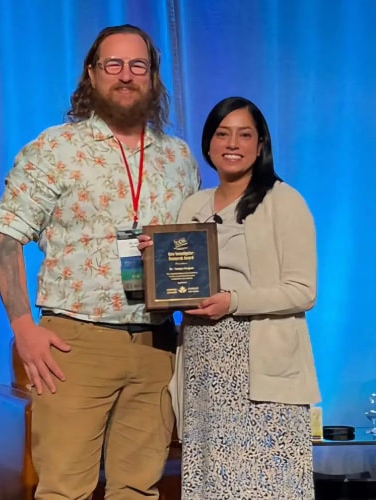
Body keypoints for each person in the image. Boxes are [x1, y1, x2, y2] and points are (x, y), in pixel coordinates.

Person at [0, 24, 200, 499]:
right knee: (65, 489)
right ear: (92, 73)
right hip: (75, 345)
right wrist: (23, 328)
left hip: (157, 346)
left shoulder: (179, 158)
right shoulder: (55, 148)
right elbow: (5, 237)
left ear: (153, 76)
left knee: (140, 489)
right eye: (114, 65)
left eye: (137, 65)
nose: (126, 76)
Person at [139, 96, 321, 499]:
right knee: (212, 480)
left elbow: (303, 291)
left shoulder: (283, 201)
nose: (232, 143)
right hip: (203, 361)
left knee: (265, 485)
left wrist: (232, 301)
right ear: (208, 145)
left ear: (261, 146)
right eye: (222, 134)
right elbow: (177, 273)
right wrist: (153, 259)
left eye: (244, 134)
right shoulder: (194, 204)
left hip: (258, 366)